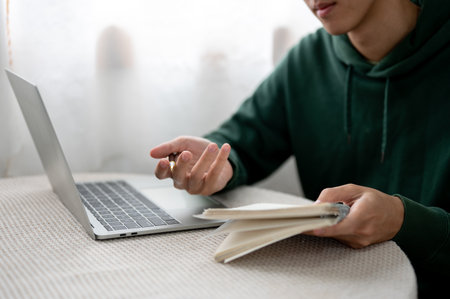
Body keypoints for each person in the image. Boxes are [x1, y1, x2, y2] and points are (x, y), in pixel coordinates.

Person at [150, 0, 449, 296]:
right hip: (333, 286)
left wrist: (405, 220)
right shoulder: (309, 59)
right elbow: (245, 137)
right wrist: (219, 164)